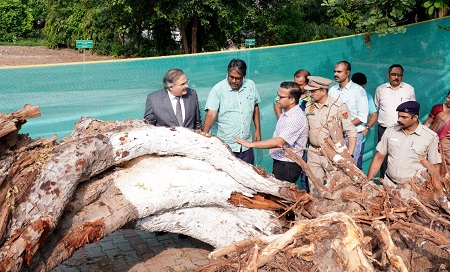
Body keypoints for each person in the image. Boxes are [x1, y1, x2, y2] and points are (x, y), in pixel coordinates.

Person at [234, 81, 307, 184]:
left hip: (288, 166)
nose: (277, 99)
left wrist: (251, 144)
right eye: (278, 95)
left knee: (282, 197)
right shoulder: (286, 111)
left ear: (291, 100)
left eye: (281, 97)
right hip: (281, 162)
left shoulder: (295, 118)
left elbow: (279, 142)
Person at [367, 101, 440, 186]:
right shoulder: (391, 130)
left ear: (415, 117)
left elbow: (435, 166)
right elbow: (379, 157)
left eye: (403, 117)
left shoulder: (430, 137)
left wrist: (434, 188)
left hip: (415, 189)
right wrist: (369, 181)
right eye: (398, 116)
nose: (399, 120)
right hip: (389, 185)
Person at [203, 59, 261, 164]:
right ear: (227, 73)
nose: (234, 81)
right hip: (225, 147)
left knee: (247, 176)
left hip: (246, 146)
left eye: (238, 78)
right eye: (231, 77)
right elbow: (211, 114)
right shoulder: (218, 90)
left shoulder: (250, 85)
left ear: (244, 76)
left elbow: (255, 106)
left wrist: (257, 130)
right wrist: (204, 137)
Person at [304, 76, 357, 189]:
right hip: (313, 152)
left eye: (313, 91)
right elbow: (306, 130)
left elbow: (351, 131)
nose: (310, 94)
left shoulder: (338, 106)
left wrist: (349, 155)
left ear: (323, 91)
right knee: (314, 187)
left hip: (332, 153)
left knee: (334, 187)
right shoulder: (309, 106)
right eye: (309, 91)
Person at [374, 64, 415, 178]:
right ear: (388, 75)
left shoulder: (409, 89)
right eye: (393, 74)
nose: (396, 77)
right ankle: (384, 183)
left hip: (403, 129)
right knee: (382, 156)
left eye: (399, 75)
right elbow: (376, 107)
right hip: (384, 129)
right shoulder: (380, 89)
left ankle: (400, 183)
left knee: (402, 155)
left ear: (402, 76)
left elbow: (412, 110)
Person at [328, 61, 368, 168]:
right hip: (336, 137)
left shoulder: (358, 90)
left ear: (348, 72)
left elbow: (362, 117)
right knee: (337, 168)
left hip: (352, 136)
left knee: (351, 168)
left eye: (339, 71)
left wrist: (344, 127)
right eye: (335, 71)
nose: (336, 74)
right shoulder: (332, 90)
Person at [351, 72, 378, 169]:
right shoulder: (344, 94)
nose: (360, 90)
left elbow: (374, 115)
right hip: (343, 135)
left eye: (362, 88)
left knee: (356, 165)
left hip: (358, 136)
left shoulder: (367, 96)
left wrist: (367, 127)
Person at [423, 90, 450, 175]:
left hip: (448, 146)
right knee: (434, 164)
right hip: (434, 143)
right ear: (446, 97)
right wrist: (421, 136)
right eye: (449, 97)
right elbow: (427, 123)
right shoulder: (437, 108)